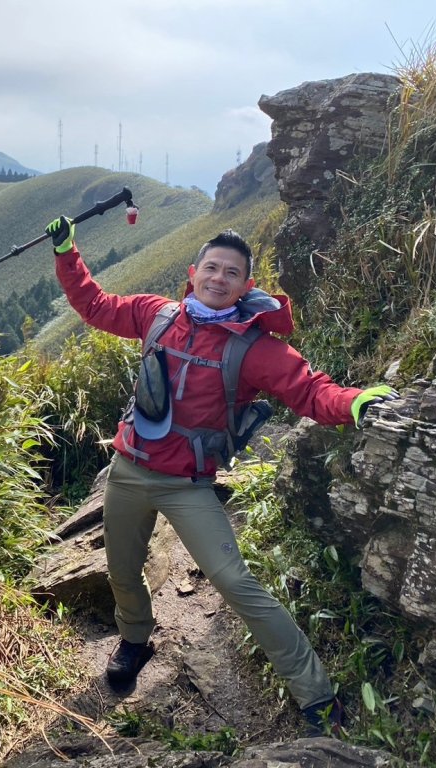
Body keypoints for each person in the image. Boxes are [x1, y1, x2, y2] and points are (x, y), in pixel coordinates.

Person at [44, 217, 398, 735]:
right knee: (121, 568)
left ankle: (313, 692)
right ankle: (136, 640)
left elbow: (308, 389)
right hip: (127, 469)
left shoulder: (255, 349)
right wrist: (66, 253)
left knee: (235, 581)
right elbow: (96, 306)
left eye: (231, 272)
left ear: (246, 286)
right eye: (211, 267)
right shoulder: (156, 315)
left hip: (187, 485)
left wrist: (354, 401)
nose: (219, 277)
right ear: (193, 272)